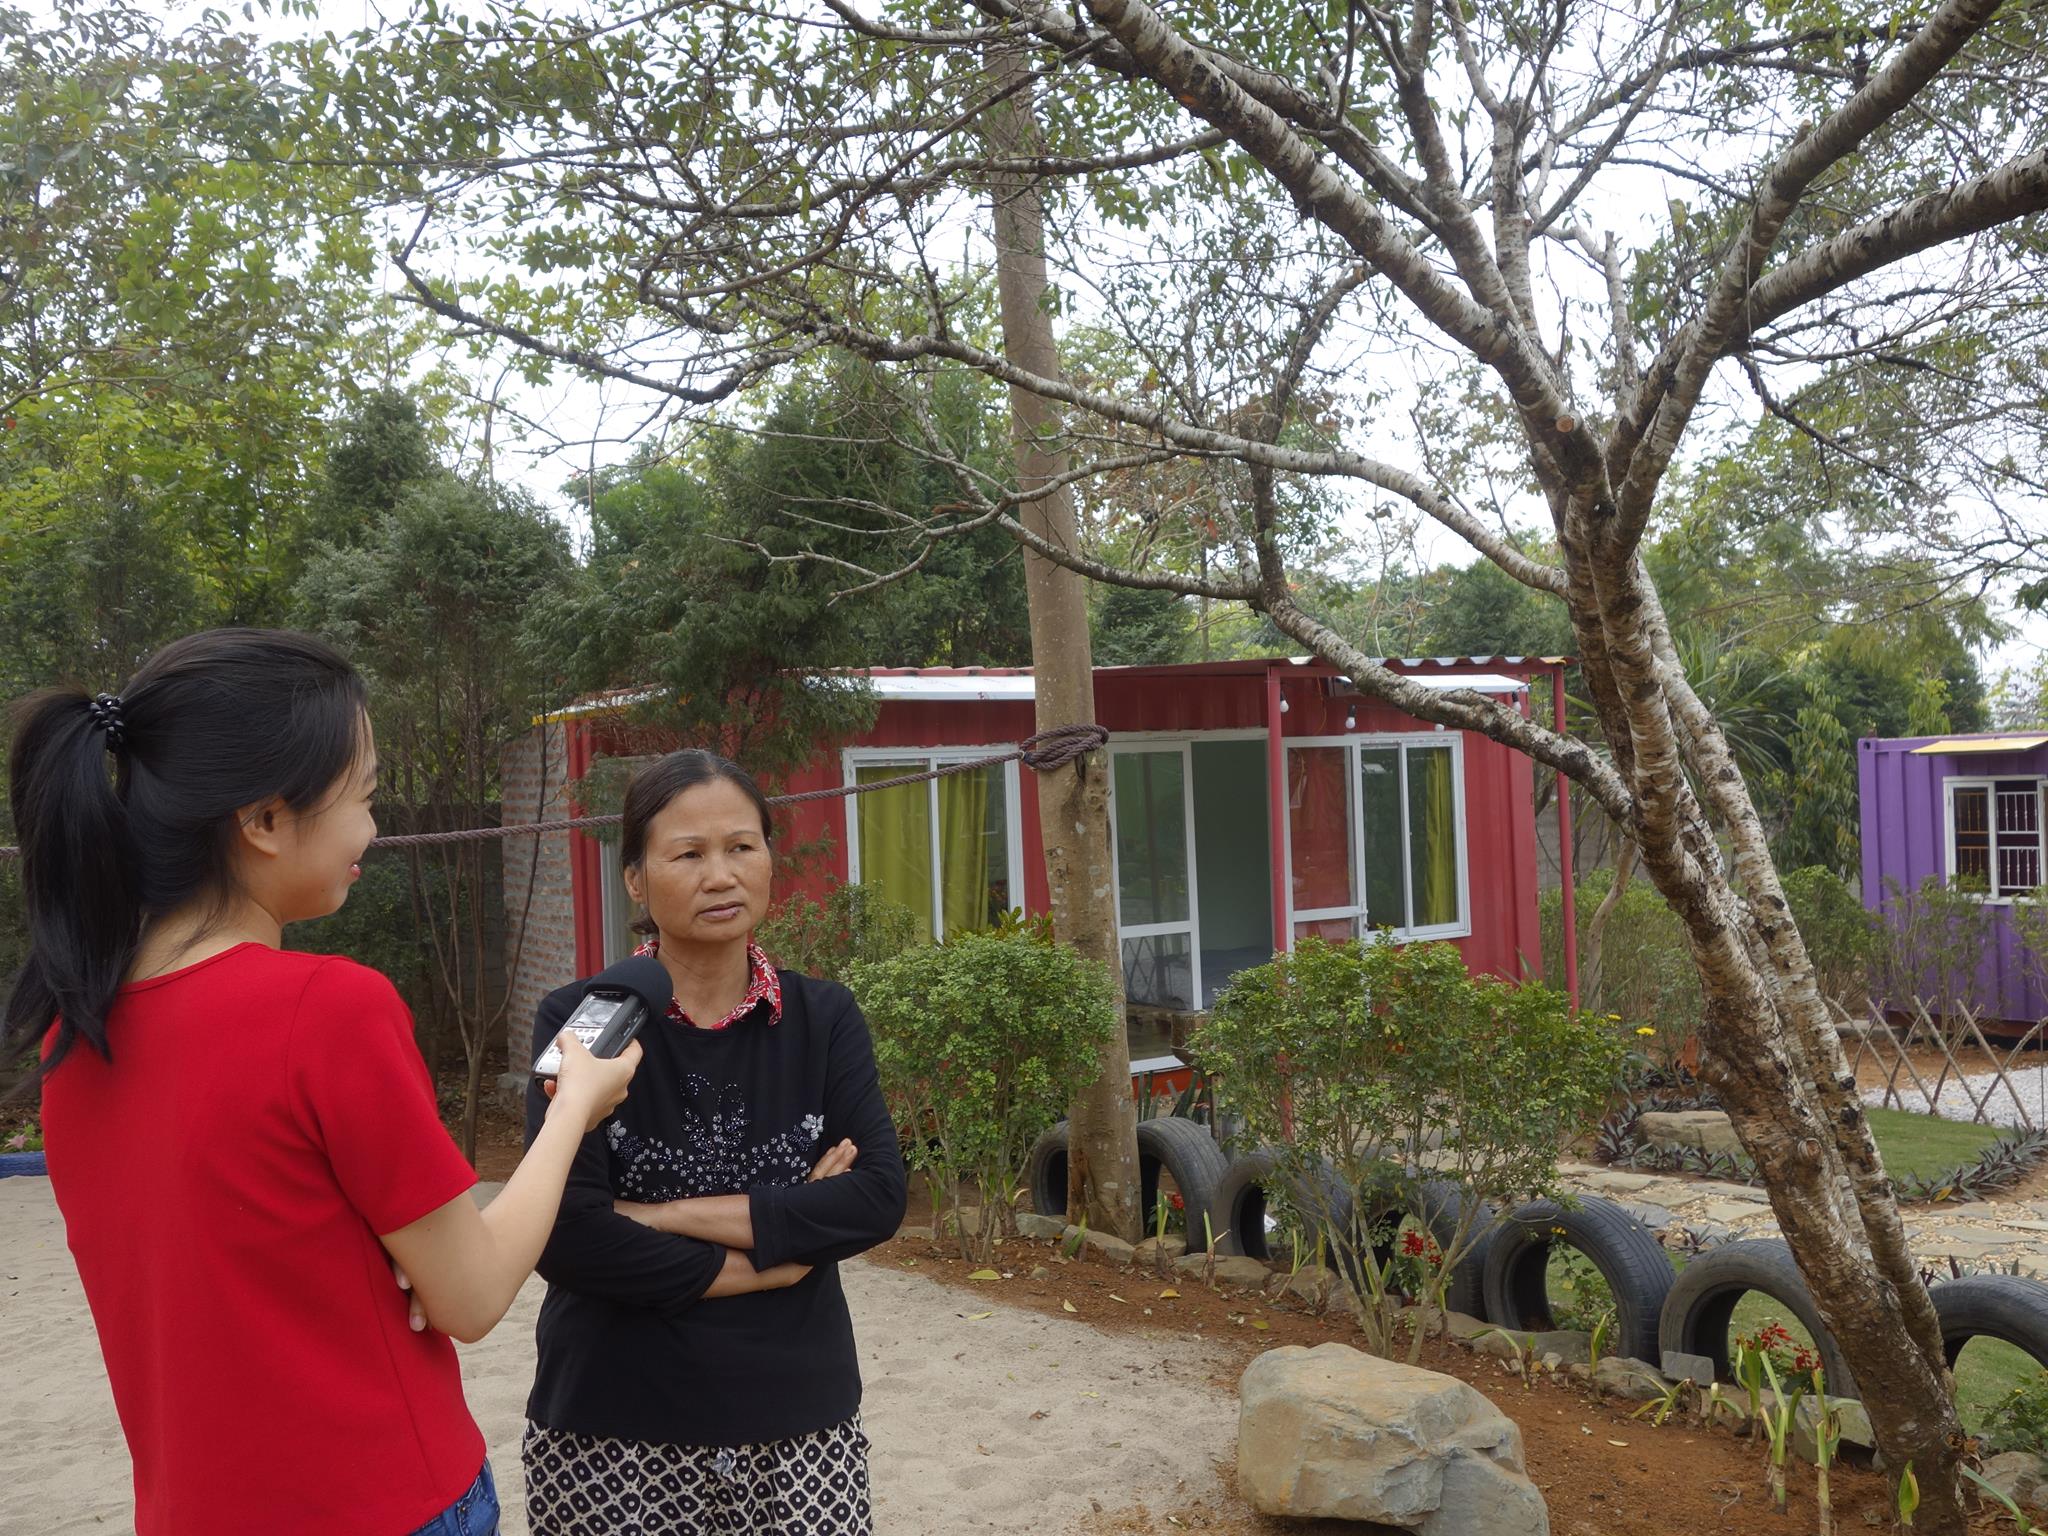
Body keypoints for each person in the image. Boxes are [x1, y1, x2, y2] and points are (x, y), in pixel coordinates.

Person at [3, 628, 642, 1536]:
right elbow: (469, 1296)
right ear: (264, 820)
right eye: (366, 797)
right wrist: (574, 1108)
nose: (373, 830)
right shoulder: (327, 1008)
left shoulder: (74, 1030)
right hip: (384, 1502)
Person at [521, 749, 907, 1535]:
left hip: (801, 1423)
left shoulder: (823, 1018)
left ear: (768, 857)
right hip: (612, 1427)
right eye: (689, 854)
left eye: (741, 847)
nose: (721, 876)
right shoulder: (581, 1024)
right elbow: (566, 1239)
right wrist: (778, 1252)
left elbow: (875, 1198)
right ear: (636, 879)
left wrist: (656, 1216)